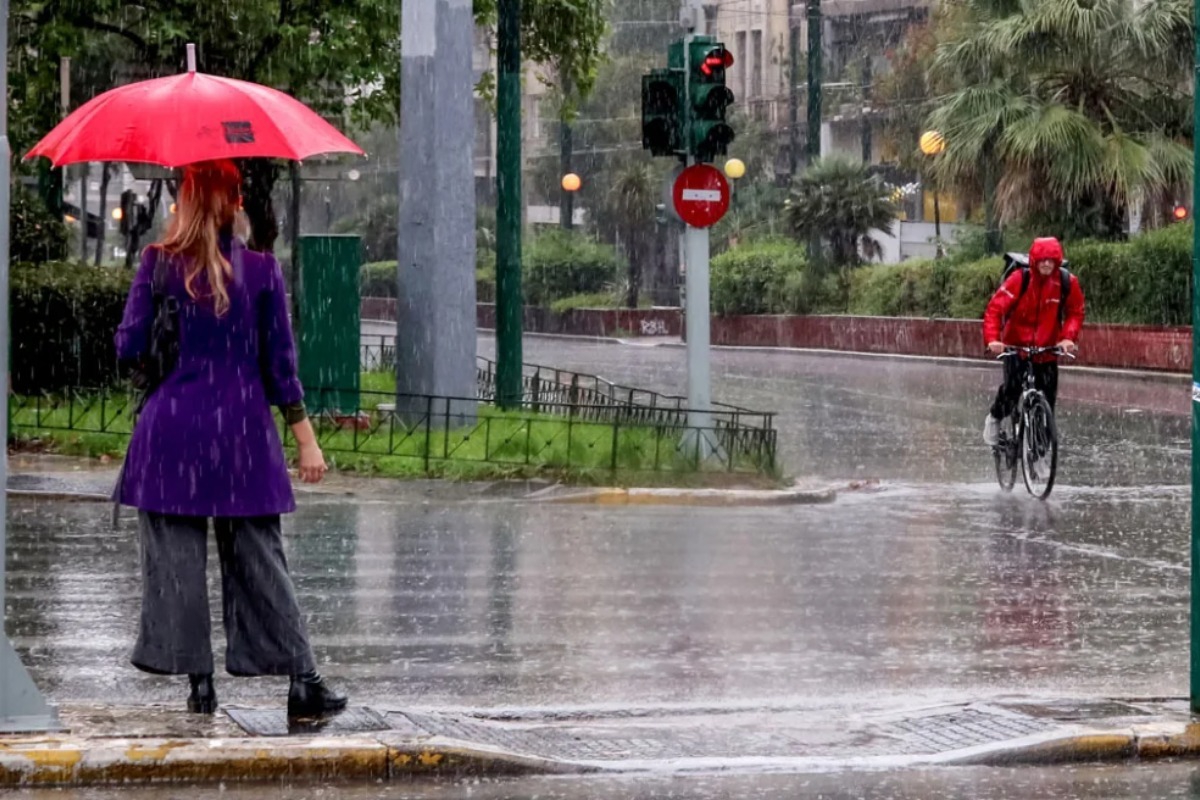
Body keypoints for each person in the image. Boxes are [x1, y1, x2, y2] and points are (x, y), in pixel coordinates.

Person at [114, 159, 347, 718]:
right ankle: (302, 681)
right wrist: (306, 441)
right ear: (234, 204)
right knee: (261, 561)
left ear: (186, 201)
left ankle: (199, 682)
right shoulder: (263, 272)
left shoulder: (157, 264)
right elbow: (281, 366)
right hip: (242, 436)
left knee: (175, 563)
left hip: (170, 435)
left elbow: (127, 347)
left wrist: (159, 353)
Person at [981, 236, 1086, 446]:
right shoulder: (1020, 279)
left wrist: (1067, 337)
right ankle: (994, 418)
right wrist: (993, 339)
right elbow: (995, 309)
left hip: (1047, 351)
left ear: (1057, 261)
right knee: (1011, 391)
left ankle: (1041, 451)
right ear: (1034, 260)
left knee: (1047, 403)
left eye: (1051, 259)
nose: (1047, 264)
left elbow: (1076, 312)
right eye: (1042, 259)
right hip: (1016, 348)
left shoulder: (1066, 282)